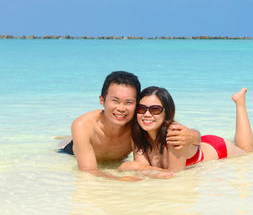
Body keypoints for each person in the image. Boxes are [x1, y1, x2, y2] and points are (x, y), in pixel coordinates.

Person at [59, 71, 201, 181]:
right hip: (75, 150)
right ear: (102, 100)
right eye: (115, 101)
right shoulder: (82, 125)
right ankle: (64, 139)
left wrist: (192, 135)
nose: (121, 108)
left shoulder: (139, 121)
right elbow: (88, 172)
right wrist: (120, 179)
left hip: (115, 159)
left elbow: (173, 126)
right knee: (65, 145)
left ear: (136, 104)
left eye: (128, 102)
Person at [119, 86, 253, 173]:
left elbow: (174, 176)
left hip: (218, 148)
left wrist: (137, 168)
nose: (147, 114)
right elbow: (144, 169)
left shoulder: (175, 136)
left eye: (155, 109)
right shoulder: (137, 134)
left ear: (166, 113)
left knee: (248, 151)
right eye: (141, 109)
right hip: (199, 144)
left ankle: (240, 103)